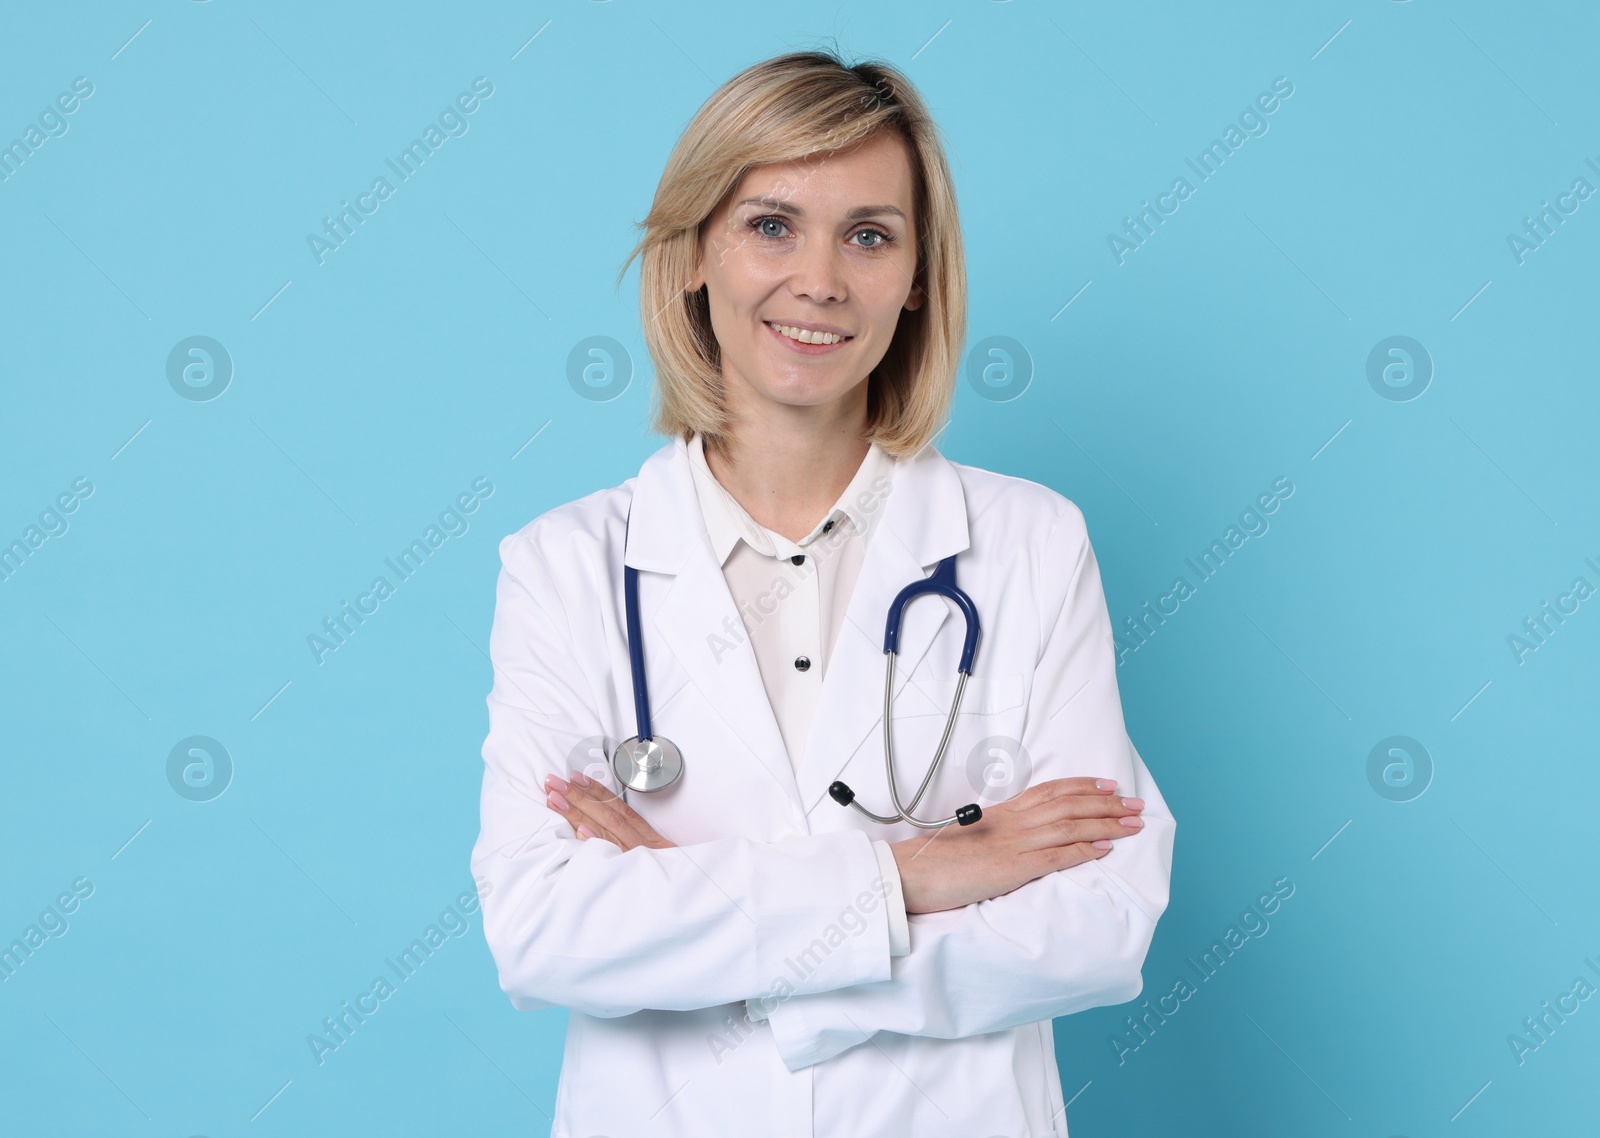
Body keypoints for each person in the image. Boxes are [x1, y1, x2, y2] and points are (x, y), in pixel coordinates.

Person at [469, 48, 1175, 1138]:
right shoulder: (565, 567)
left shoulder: (1030, 543)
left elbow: (1098, 920)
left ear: (918, 276)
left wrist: (713, 920)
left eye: (869, 234)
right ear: (693, 252)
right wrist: (923, 872)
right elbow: (543, 927)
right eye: (769, 224)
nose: (821, 281)